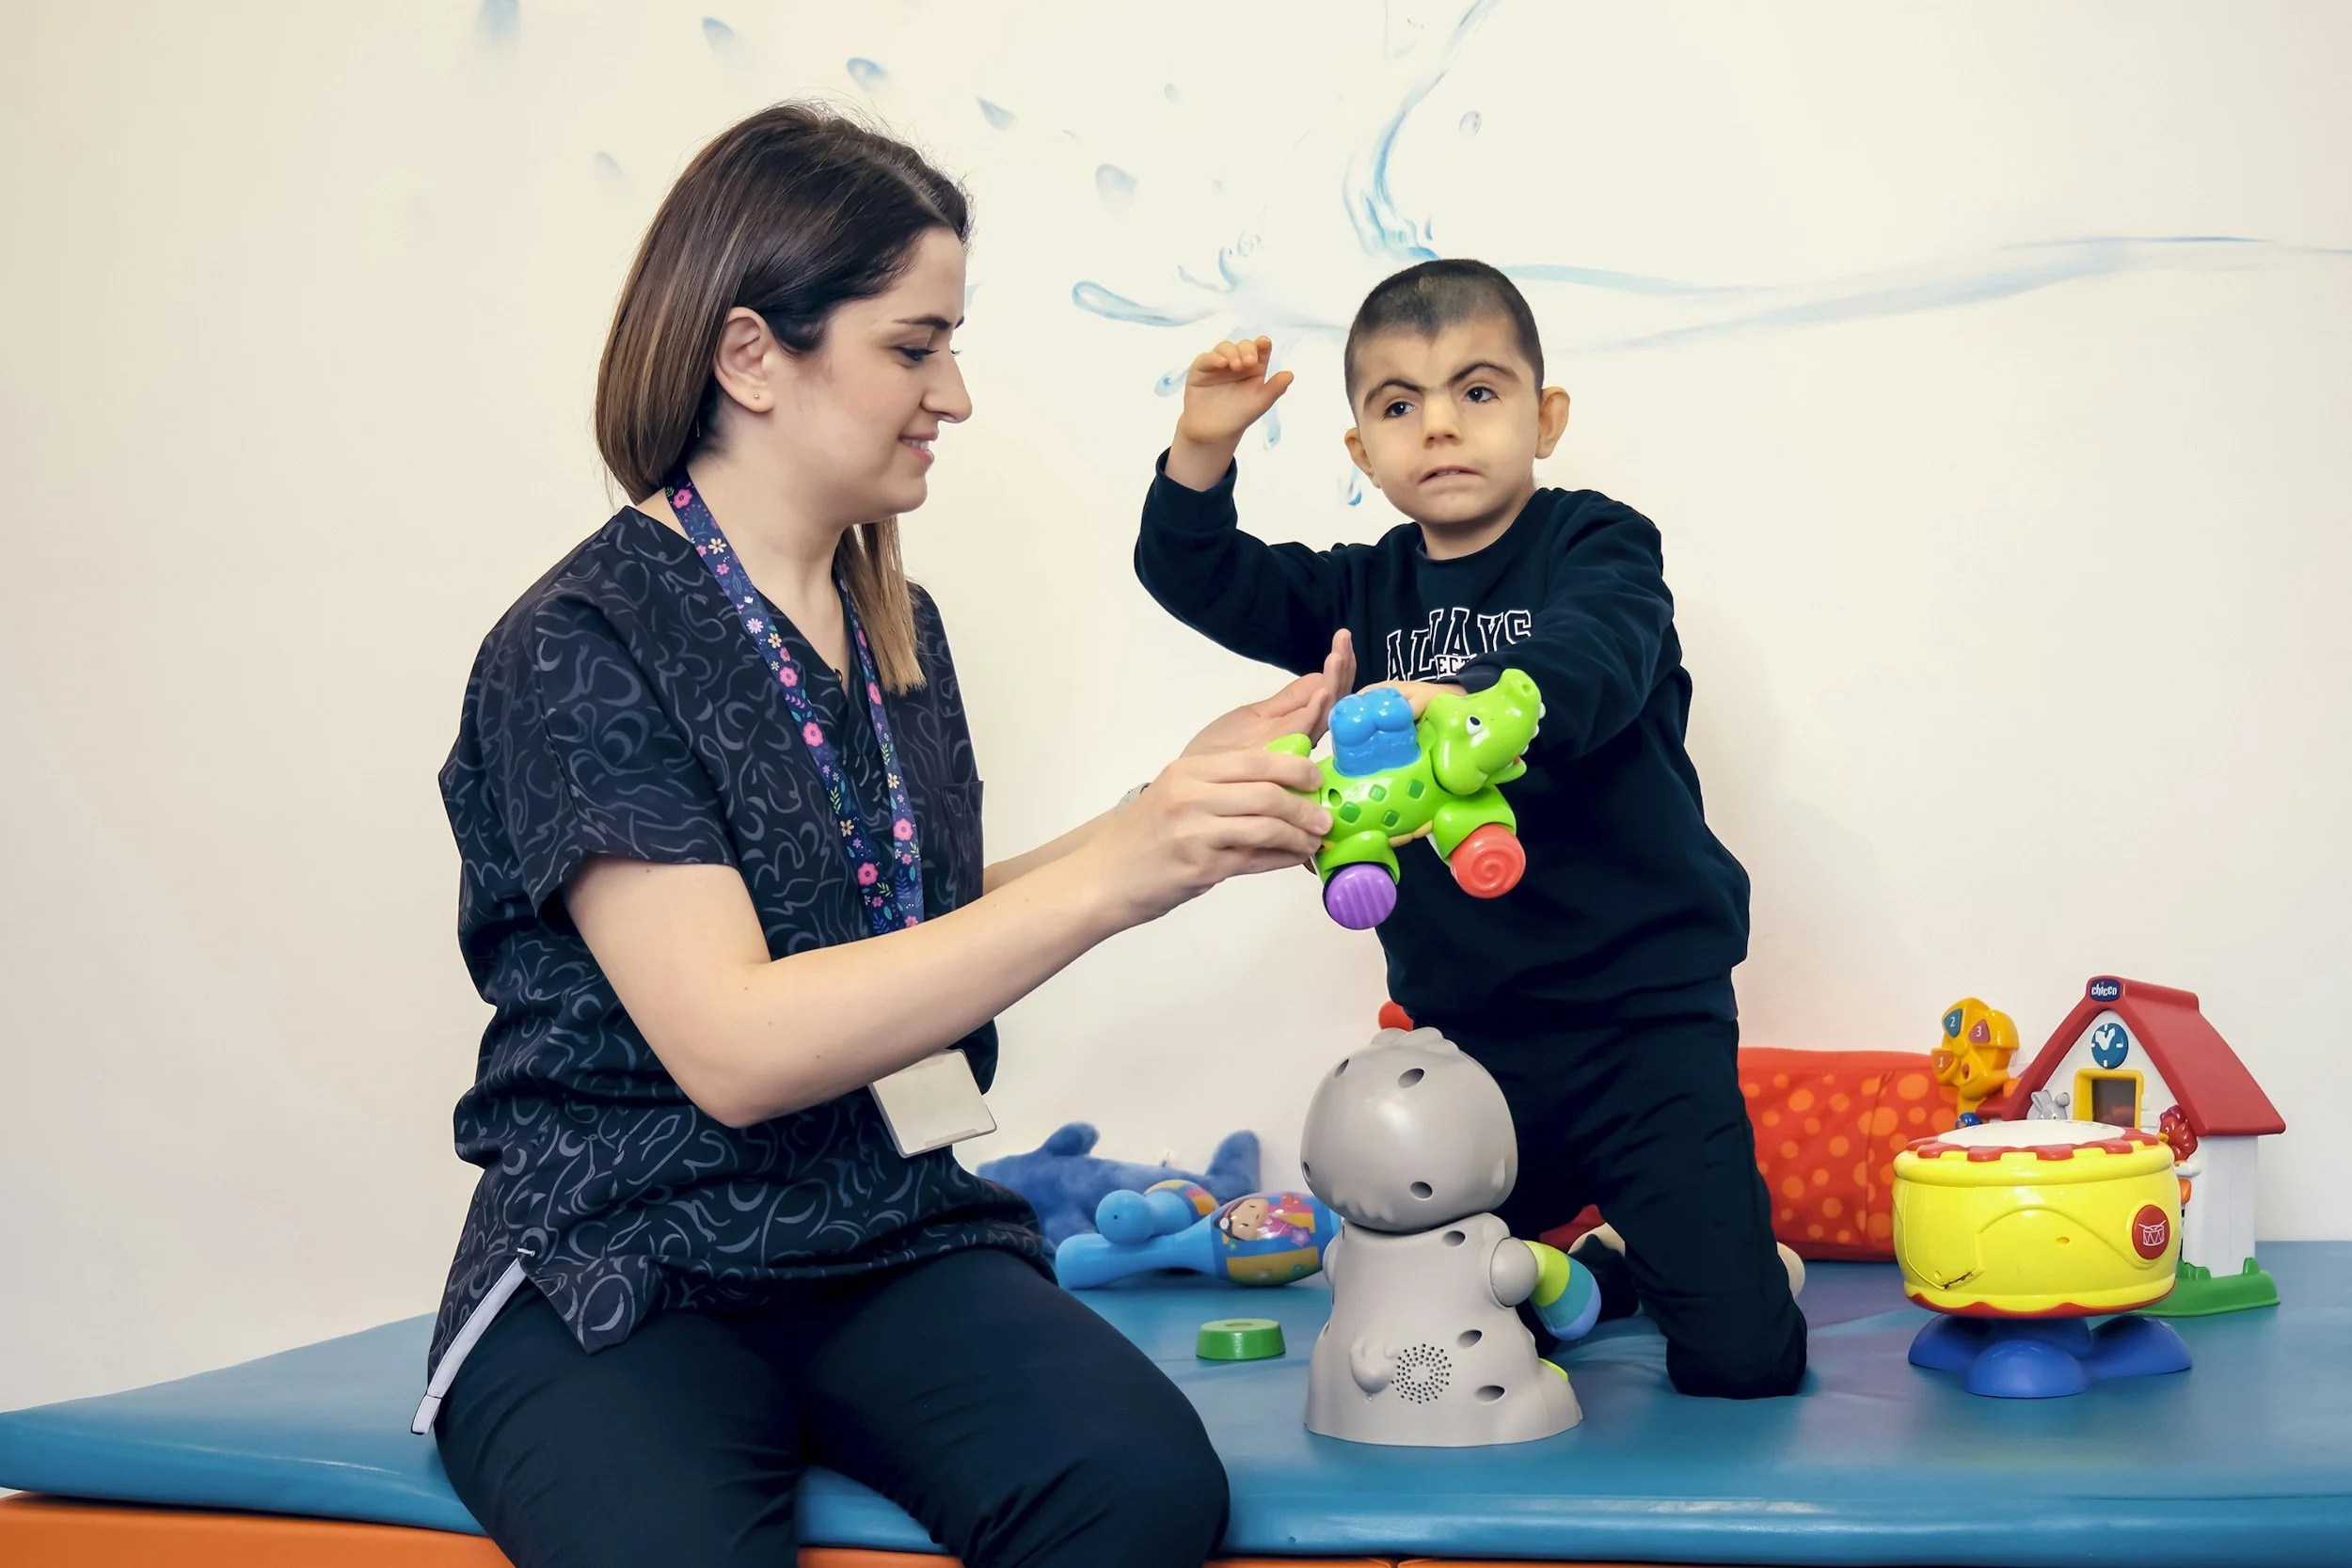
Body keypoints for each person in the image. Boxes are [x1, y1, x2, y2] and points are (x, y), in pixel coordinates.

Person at [421, 103, 1347, 1568]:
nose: (956, 394)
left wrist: (1169, 818)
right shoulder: (580, 641)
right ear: (751, 356)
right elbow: (734, 1038)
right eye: (916, 346)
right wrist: (1119, 868)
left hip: (881, 1229)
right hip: (626, 1263)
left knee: (1138, 1487)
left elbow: (890, 915)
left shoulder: (895, 628)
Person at [1131, 260, 1806, 1399]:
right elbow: (1192, 571)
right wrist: (1201, 450)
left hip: (1644, 1024)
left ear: (1544, 419)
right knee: (1436, 1335)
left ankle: (1652, 1258)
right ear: (1361, 452)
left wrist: (1488, 703)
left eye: (1476, 392)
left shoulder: (1598, 542)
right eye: (1399, 405)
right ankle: (1578, 1266)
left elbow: (1600, 653)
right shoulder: (1363, 591)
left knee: (1741, 1359)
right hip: (1470, 1040)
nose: (1438, 425)